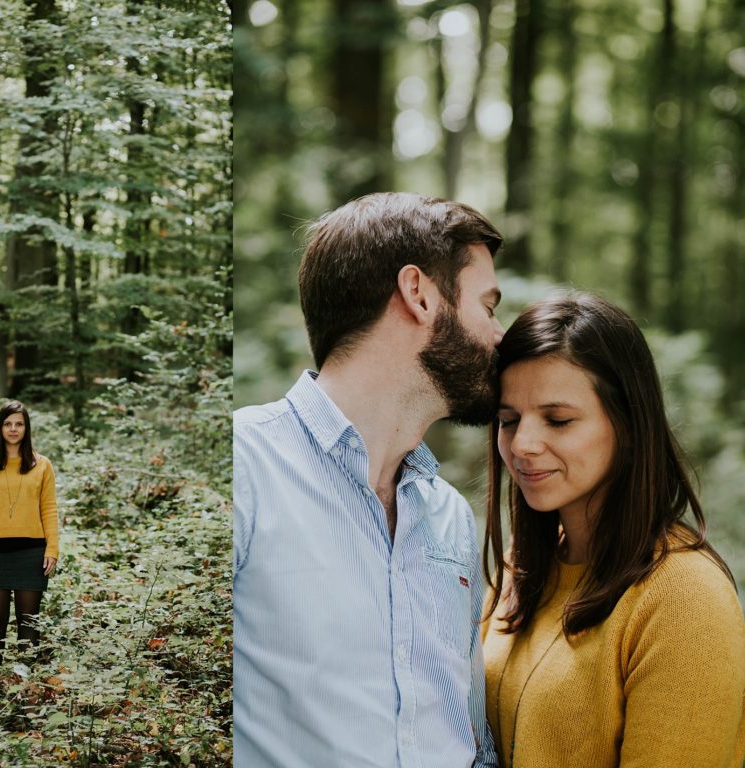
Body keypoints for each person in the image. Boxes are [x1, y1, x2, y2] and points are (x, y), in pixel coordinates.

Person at [234, 192, 504, 767]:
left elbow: (472, 738)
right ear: (420, 295)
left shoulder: (450, 515)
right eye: (488, 305)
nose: (499, 335)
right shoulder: (245, 465)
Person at [482, 292, 745, 768]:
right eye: (508, 420)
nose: (522, 444)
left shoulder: (684, 596)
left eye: (558, 420)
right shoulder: (516, 571)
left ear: (627, 423)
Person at [0, 401, 59, 666]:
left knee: (28, 621)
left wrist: (52, 550)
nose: (13, 429)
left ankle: (25, 686)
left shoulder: (41, 465)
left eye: (18, 424)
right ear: (0, 428)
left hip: (31, 552)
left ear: (26, 428)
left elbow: (49, 509)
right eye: (7, 424)